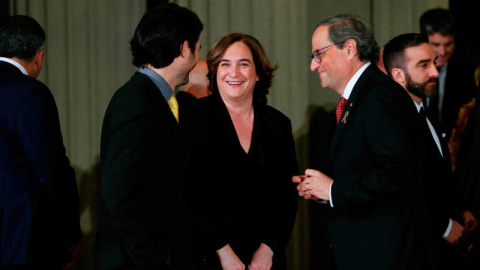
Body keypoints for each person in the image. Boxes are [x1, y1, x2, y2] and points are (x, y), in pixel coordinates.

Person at [293, 15, 432, 269]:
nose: (314, 66)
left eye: (319, 54)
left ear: (349, 49)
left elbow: (399, 174)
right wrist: (324, 190)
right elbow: (368, 170)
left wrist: (334, 190)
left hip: (383, 256)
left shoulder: (378, 96)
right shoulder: (363, 95)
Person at [95, 3, 203, 270]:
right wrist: (149, 258)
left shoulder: (146, 97)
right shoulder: (138, 102)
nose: (199, 54)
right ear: (184, 48)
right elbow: (119, 191)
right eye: (198, 47)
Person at [189, 33, 298, 270]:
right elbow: (189, 193)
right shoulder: (193, 118)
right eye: (225, 64)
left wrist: (268, 249)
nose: (234, 73)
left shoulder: (278, 124)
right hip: (209, 256)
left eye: (244, 64)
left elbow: (286, 196)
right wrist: (223, 251)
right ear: (215, 72)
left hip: (266, 261)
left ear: (258, 73)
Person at [383, 33, 478, 269]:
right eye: (424, 65)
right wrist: (444, 226)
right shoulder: (391, 122)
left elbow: (439, 175)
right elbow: (403, 190)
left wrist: (461, 209)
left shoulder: (425, 109)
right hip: (413, 250)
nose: (435, 71)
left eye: (433, 62)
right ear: (398, 75)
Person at [0, 15, 82, 269]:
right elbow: (50, 170)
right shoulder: (30, 92)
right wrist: (70, 235)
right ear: (39, 57)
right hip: (20, 240)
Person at [420, 8, 477, 141]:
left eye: (448, 44)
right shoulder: (409, 69)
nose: (442, 51)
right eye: (436, 44)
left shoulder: (468, 72)